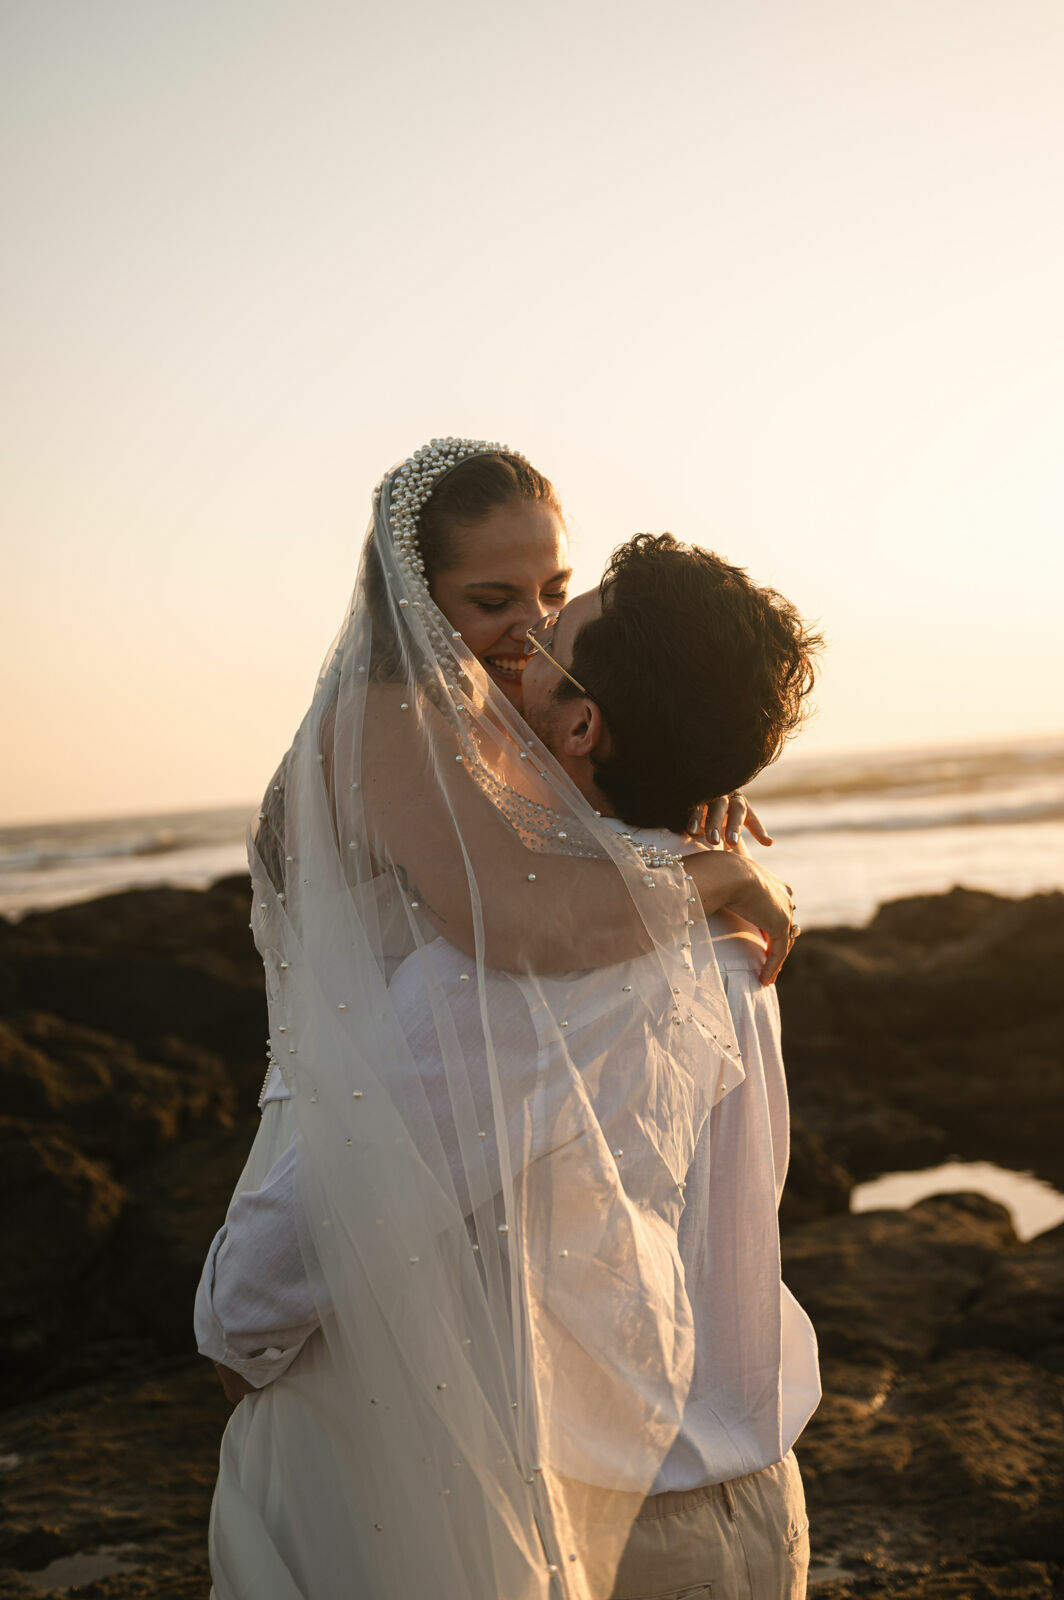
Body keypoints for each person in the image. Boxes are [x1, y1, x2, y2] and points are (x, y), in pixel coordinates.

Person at [196, 439, 817, 1600]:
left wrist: (691, 807)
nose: (529, 630)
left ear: (587, 724)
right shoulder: (390, 729)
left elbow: (534, 938)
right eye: (492, 601)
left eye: (550, 594)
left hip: (548, 1398)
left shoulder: (540, 851)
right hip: (684, 1437)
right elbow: (528, 926)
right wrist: (706, 871)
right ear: (408, 598)